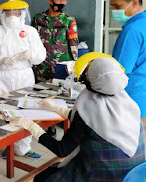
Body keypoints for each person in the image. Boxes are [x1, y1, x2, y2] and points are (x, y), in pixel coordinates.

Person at [12, 53, 145, 182]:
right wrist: (56, 108)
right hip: (133, 173)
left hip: (101, 173)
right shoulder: (129, 104)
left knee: (44, 177)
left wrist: (33, 127)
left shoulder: (88, 109)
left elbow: (62, 150)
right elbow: (92, 124)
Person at [0, 0, 46, 159]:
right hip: (1, 77)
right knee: (1, 110)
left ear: (22, 13)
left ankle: (23, 148)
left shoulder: (30, 31)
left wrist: (32, 54)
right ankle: (5, 146)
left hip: (24, 75)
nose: (12, 16)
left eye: (16, 12)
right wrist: (0, 60)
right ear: (2, 14)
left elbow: (41, 54)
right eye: (8, 12)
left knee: (26, 111)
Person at [110, 0, 146, 132]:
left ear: (135, 2)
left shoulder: (132, 30)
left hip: (133, 98)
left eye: (118, 7)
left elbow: (120, 70)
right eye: (112, 7)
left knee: (130, 147)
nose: (114, 11)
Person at [31, 0, 79, 83]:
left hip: (60, 68)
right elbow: (31, 41)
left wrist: (74, 68)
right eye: (59, 0)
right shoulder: (38, 18)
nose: (62, 3)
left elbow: (73, 46)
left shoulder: (68, 20)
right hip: (40, 67)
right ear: (50, 0)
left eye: (64, 0)